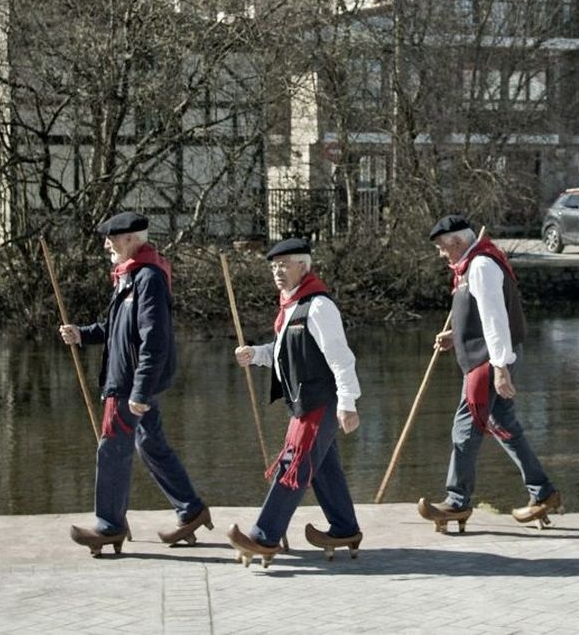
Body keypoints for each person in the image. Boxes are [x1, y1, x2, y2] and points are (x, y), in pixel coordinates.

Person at [60, 211, 210, 555]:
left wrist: (141, 391)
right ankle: (191, 510)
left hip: (129, 384)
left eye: (112, 238)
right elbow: (115, 328)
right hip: (128, 380)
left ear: (131, 239)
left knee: (112, 447)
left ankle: (109, 525)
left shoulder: (147, 278)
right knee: (150, 445)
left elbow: (153, 339)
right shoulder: (128, 277)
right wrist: (81, 334)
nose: (106, 244)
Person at [417, 215, 561, 531]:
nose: (441, 254)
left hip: (487, 363)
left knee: (465, 429)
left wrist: (500, 369)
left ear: (457, 242)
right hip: (489, 358)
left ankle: (456, 502)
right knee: (502, 424)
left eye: (442, 247)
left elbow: (496, 320)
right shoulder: (471, 266)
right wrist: (456, 335)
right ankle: (544, 492)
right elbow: (481, 316)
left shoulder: (480, 266)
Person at [226, 238, 364, 566]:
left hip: (321, 403)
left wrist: (348, 402)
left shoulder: (318, 306)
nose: (277, 271)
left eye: (284, 264)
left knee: (293, 466)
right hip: (305, 403)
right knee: (322, 468)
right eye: (273, 266)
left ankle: (264, 536)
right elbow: (284, 350)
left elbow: (341, 358)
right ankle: (345, 528)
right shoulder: (291, 305)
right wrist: (257, 354)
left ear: (303, 265)